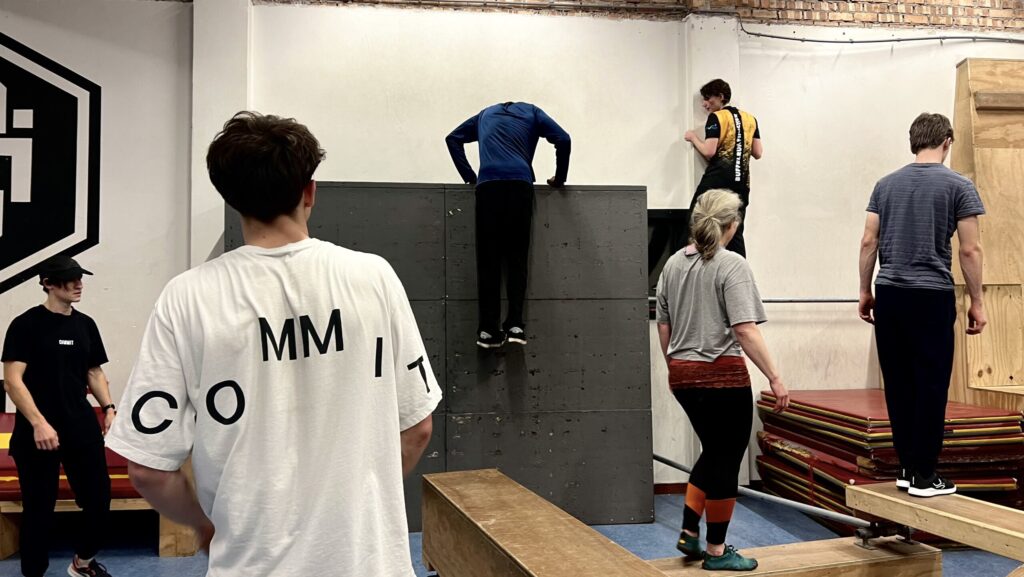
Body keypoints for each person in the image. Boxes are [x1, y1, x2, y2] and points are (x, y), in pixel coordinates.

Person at [106, 112, 440, 576]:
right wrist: (356, 502)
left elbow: (147, 469)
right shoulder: (373, 277)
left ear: (230, 197)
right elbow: (417, 427)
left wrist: (204, 527)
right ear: (309, 191)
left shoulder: (186, 297)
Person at [655, 189, 788, 571]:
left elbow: (663, 326)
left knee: (713, 452)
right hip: (722, 377)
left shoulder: (673, 264)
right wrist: (775, 377)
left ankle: (688, 532)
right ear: (732, 225)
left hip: (683, 376)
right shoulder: (732, 265)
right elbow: (745, 330)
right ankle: (716, 551)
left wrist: (675, 366)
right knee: (726, 460)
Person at [858, 112, 986, 498]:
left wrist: (865, 291)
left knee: (899, 384)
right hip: (931, 296)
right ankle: (925, 475)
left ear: (913, 141)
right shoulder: (959, 186)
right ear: (947, 141)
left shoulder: (884, 185)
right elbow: (970, 249)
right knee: (931, 384)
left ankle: (907, 467)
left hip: (890, 293)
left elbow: (868, 241)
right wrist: (977, 301)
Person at [1, 254, 116, 577]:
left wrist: (109, 408)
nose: (79, 284)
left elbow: (94, 371)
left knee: (98, 499)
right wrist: (39, 423)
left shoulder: (85, 324)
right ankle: (34, 573)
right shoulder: (25, 325)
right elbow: (13, 381)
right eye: (70, 279)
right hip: (37, 432)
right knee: (39, 508)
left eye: (80, 278)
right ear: (48, 284)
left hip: (81, 427)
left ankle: (83, 563)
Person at [446, 101, 571, 348]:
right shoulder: (533, 112)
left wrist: (469, 177)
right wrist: (560, 178)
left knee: (488, 260)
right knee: (517, 257)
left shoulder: (484, 114)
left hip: (488, 186)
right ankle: (515, 326)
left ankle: (487, 330)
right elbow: (563, 139)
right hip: (519, 184)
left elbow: (452, 139)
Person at [683, 79, 762, 258]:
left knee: (695, 220)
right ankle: (739, 272)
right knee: (735, 230)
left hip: (717, 180)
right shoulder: (751, 119)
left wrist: (693, 138)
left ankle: (690, 265)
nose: (705, 104)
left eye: (708, 98)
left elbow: (709, 151)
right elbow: (758, 152)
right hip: (741, 184)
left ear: (720, 97)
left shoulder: (717, 117)